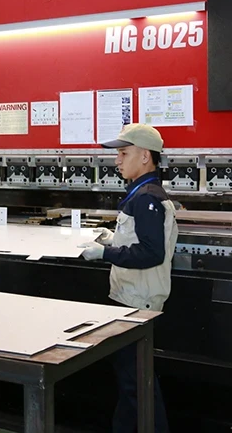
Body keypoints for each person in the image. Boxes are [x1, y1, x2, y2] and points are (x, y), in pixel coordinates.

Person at [79, 123, 178, 433]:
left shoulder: (147, 199)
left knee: (137, 384)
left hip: (137, 303)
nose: (117, 160)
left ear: (145, 156)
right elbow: (139, 241)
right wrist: (113, 239)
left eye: (123, 153)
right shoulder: (140, 194)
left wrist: (104, 254)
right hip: (130, 300)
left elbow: (152, 253)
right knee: (132, 382)